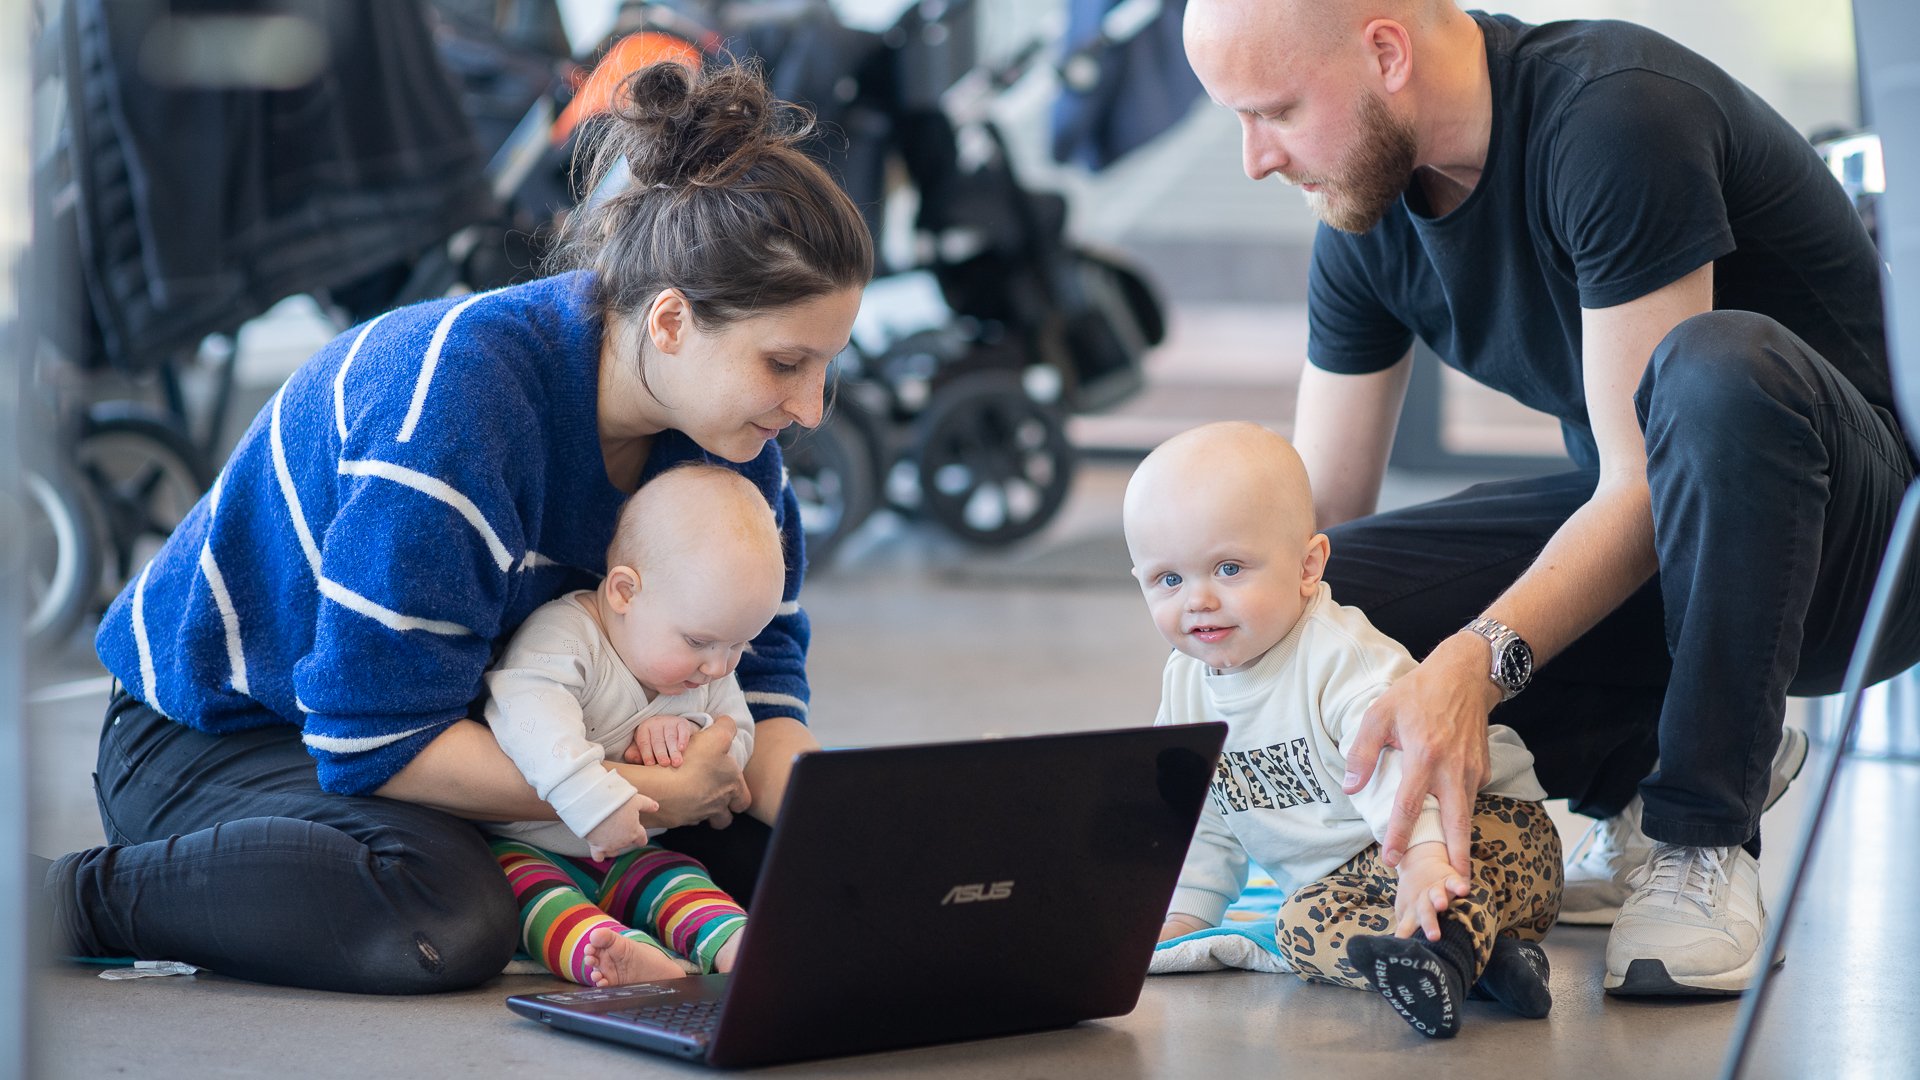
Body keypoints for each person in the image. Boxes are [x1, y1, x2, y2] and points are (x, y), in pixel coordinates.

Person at [41, 60, 873, 994]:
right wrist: (638, 791)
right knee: (443, 910)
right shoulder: (458, 401)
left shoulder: (729, 437)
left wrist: (853, 841)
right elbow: (372, 737)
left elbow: (761, 679)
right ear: (672, 322)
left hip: (496, 732)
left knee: (792, 880)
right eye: (786, 364)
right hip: (233, 733)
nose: (809, 408)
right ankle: (54, 901)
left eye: (826, 368)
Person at [1182, 0, 1919, 996]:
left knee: (1715, 367)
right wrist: (1204, 598)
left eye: (1270, 111)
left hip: (1858, 555)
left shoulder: (1613, 117)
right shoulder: (1366, 209)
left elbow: (1643, 486)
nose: (1254, 159)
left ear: (1386, 53)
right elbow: (1316, 529)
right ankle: (1644, 768)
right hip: (1666, 546)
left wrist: (1472, 667)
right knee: (1304, 590)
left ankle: (1702, 833)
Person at [1129, 422, 1561, 1038]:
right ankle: (1485, 965)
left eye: (1228, 569)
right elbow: (1200, 814)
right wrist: (1188, 913)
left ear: (1308, 566)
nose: (1197, 599)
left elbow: (1403, 764)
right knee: (1301, 924)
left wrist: (1424, 859)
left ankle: (1458, 943)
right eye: (1168, 580)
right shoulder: (1185, 686)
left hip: (1482, 832)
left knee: (1436, 887)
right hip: (1365, 879)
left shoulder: (1337, 656)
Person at [485, 464, 782, 987]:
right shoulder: (569, 638)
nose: (720, 666)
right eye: (699, 642)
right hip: (526, 844)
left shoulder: (709, 667)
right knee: (537, 900)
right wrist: (593, 800)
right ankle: (615, 955)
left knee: (681, 880)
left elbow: (737, 737)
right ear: (624, 593)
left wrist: (693, 736)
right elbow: (527, 715)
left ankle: (739, 945)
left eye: (740, 644)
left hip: (634, 851)